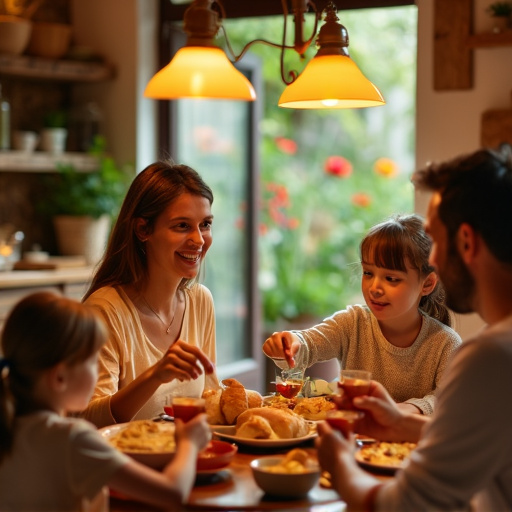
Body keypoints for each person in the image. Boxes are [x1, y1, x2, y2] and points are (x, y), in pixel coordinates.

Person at [315, 143, 512, 511]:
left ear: (466, 242)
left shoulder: (491, 357)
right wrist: (400, 426)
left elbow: (405, 504)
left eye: (436, 240)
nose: (432, 259)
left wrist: (339, 462)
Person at [0, 291, 211, 512]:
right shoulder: (73, 440)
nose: (98, 370)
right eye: (93, 361)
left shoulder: (10, 429)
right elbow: (172, 493)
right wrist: (189, 443)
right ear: (60, 378)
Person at [263, 213, 462, 415]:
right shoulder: (352, 323)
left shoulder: (445, 344)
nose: (374, 287)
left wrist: (402, 410)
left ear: (427, 284)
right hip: (354, 439)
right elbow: (309, 344)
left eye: (391, 278)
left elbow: (450, 399)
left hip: (409, 444)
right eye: (368, 273)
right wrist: (290, 343)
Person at [80, 161, 218, 428]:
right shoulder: (104, 310)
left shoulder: (200, 300)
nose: (199, 240)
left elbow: (210, 397)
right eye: (181, 226)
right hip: (121, 466)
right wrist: (156, 375)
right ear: (143, 230)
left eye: (205, 224)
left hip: (185, 461)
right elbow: (87, 421)